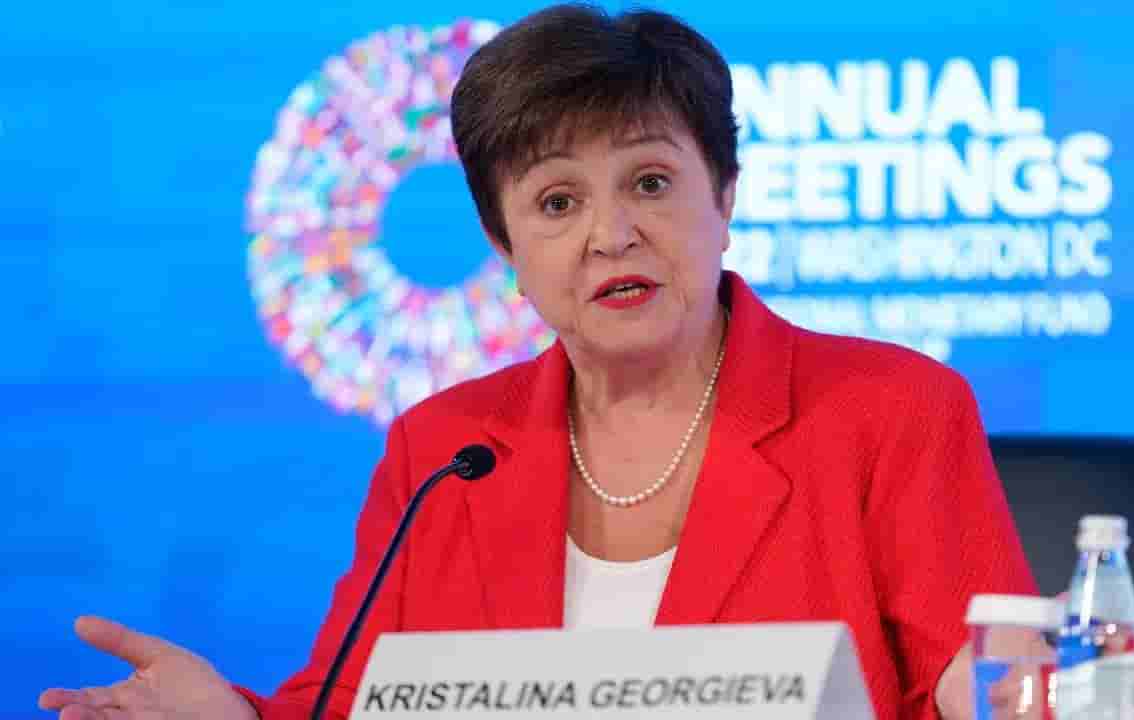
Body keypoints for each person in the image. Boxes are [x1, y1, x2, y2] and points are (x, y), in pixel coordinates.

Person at [38, 4, 1037, 720]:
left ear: (724, 196)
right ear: (505, 245)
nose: (611, 234)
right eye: (557, 202)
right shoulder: (444, 451)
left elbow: (985, 681)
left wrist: (1010, 688)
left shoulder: (889, 410)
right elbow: (347, 703)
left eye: (650, 182)